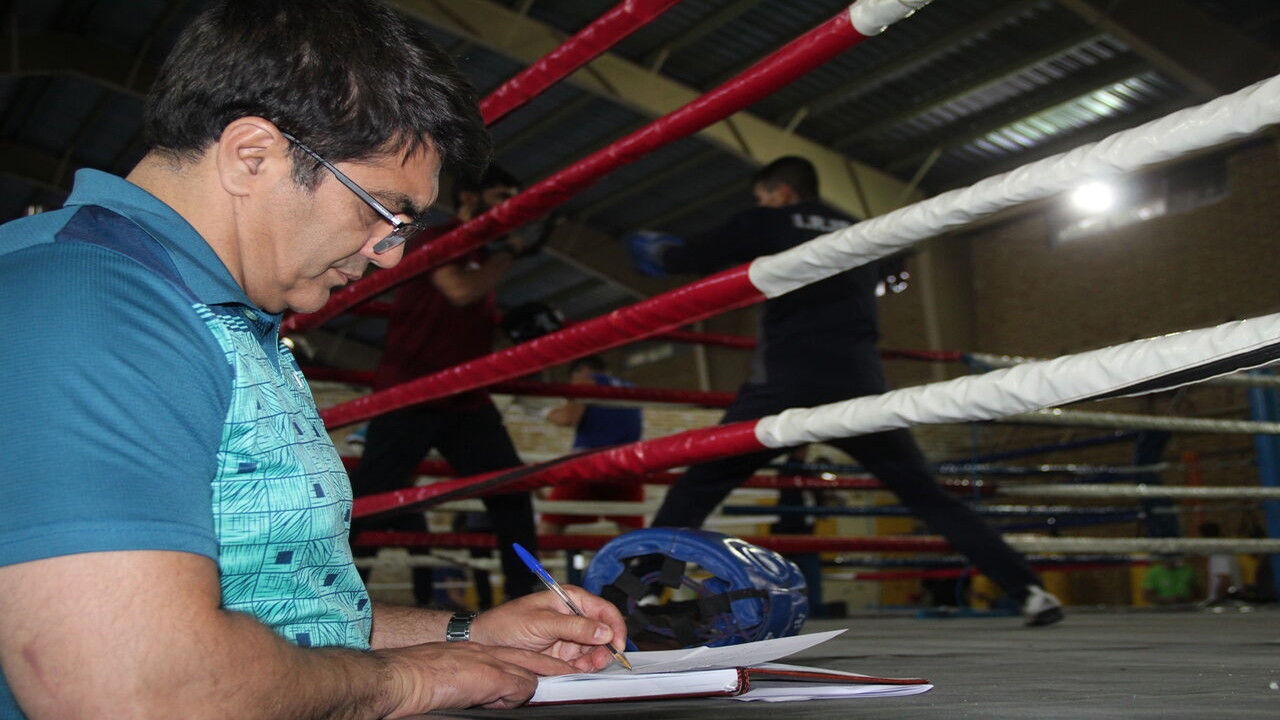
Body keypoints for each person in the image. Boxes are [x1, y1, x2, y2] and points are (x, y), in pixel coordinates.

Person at [0, 2, 626, 717]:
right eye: (382, 212)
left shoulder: (212, 311)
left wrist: (466, 635)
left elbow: (272, 614)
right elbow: (130, 689)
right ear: (253, 156)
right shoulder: (87, 307)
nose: (389, 254)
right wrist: (410, 680)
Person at [631, 156, 1064, 626]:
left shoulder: (770, 219)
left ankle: (644, 591)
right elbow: (895, 266)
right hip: (859, 384)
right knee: (926, 495)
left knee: (701, 484)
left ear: (780, 192)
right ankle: (1029, 591)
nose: (762, 203)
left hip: (786, 383)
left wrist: (658, 252)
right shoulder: (861, 228)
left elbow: (690, 258)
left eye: (763, 196)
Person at [348, 163, 540, 609]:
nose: (509, 207)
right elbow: (457, 290)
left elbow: (471, 324)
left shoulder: (482, 257)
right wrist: (510, 253)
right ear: (469, 198)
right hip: (413, 390)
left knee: (511, 491)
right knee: (373, 501)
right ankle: (331, 600)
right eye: (500, 196)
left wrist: (517, 332)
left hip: (464, 399)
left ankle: (526, 597)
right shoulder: (443, 239)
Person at [539, 355, 646, 535]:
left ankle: (531, 556)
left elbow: (567, 418)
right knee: (633, 536)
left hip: (590, 463)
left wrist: (542, 412)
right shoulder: (630, 387)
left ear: (582, 371)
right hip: (628, 464)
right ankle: (645, 556)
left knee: (548, 530)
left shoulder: (585, 380)